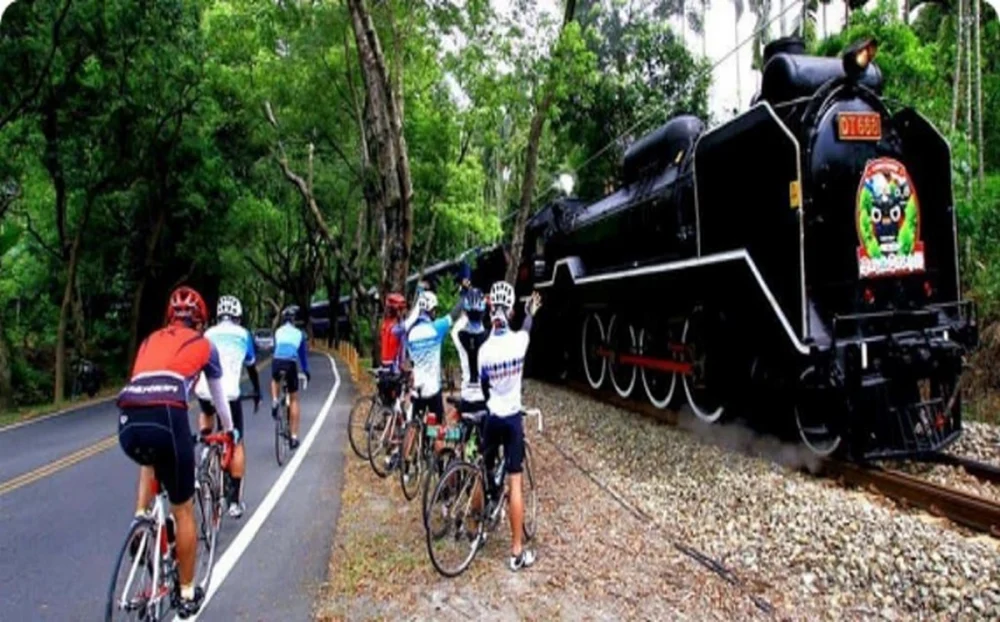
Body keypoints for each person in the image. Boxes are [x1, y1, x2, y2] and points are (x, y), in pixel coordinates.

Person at [116, 286, 239, 618]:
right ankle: (186, 593)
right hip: (168, 418)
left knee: (149, 459)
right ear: (200, 321)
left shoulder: (149, 340)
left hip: (128, 417)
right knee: (182, 509)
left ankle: (142, 520)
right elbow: (216, 398)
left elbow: (141, 382)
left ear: (171, 317)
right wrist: (228, 432)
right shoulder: (204, 346)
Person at [476, 280, 542, 571]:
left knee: (482, 468)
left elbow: (484, 387)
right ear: (511, 311)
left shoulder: (484, 351)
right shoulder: (518, 343)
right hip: (513, 420)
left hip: (492, 418)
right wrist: (531, 311)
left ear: (491, 312)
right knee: (515, 483)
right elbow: (527, 328)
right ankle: (516, 552)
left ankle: (476, 528)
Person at [193, 294, 261, 518]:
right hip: (230, 394)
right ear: (238, 317)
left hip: (205, 390)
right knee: (236, 441)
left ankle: (205, 447)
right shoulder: (243, 335)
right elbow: (251, 366)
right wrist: (257, 391)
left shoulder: (208, 333)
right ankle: (233, 502)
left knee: (206, 410)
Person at [395, 285, 466, 473]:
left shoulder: (411, 333)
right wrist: (463, 295)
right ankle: (441, 468)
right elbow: (454, 314)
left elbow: (409, 360)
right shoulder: (436, 329)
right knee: (438, 429)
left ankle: (406, 465)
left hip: (417, 389)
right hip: (433, 390)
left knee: (413, 425)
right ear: (431, 311)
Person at [271, 307, 310, 449]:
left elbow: (276, 349)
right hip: (290, 363)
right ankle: (293, 437)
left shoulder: (278, 332)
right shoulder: (299, 334)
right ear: (294, 321)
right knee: (294, 399)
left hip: (277, 361)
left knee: (275, 380)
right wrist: (306, 371)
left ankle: (275, 400)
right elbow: (303, 357)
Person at [450, 286, 489, 416]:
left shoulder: (458, 334)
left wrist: (464, 294)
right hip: (484, 399)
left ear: (466, 312)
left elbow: (458, 324)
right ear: (483, 313)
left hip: (467, 397)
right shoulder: (489, 338)